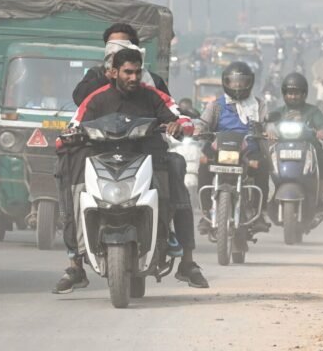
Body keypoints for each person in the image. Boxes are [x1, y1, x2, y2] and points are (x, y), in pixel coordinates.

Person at [54, 49, 209, 293]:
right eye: (128, 72)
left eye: (137, 72)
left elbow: (183, 120)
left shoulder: (153, 96)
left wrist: (177, 126)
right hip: (103, 160)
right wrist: (69, 137)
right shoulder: (96, 99)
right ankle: (75, 262)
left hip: (148, 158)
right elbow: (73, 125)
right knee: (68, 165)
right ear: (113, 72)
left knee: (177, 164)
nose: (133, 77)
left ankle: (187, 260)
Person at [195, 61, 271, 235]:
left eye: (241, 82)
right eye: (233, 81)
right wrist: (199, 130)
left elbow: (268, 125)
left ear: (249, 83)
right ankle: (206, 213)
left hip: (248, 149)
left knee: (263, 166)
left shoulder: (258, 105)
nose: (237, 85)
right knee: (203, 164)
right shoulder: (216, 105)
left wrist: (269, 132)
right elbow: (203, 122)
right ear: (225, 83)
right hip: (219, 148)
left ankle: (260, 214)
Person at [270, 73, 323, 218]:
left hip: (309, 148)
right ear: (284, 94)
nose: (293, 96)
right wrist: (268, 131)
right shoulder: (279, 112)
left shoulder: (313, 111)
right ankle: (266, 195)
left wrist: (322, 131)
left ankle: (319, 196)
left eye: (296, 93)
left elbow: (322, 124)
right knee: (260, 159)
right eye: (290, 93)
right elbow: (267, 122)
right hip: (281, 148)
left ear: (304, 94)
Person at [72, 23, 169, 105]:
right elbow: (80, 99)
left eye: (119, 47)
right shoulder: (96, 74)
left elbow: (169, 109)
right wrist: (106, 77)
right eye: (111, 47)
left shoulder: (153, 81)